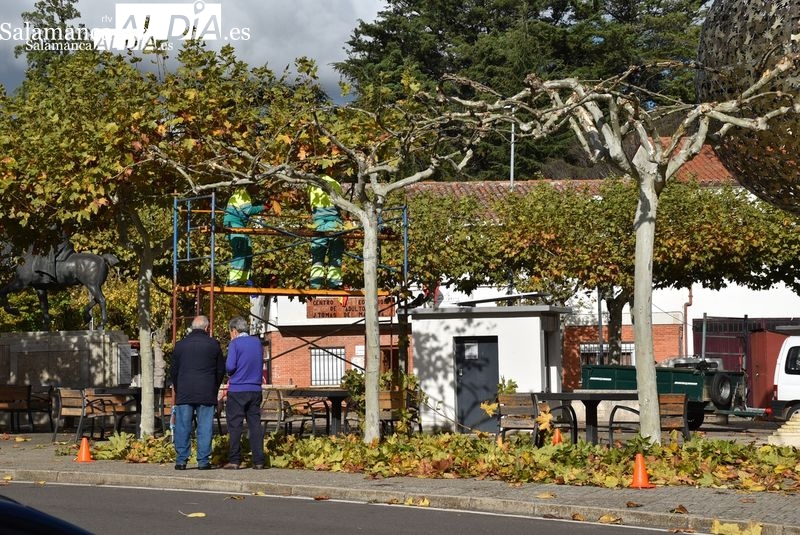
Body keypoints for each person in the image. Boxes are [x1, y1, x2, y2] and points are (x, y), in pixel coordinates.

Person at [170, 315, 225, 471]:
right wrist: (214, 388)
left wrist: (178, 387)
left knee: (182, 426)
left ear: (192, 327)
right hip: (206, 392)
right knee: (205, 427)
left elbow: (173, 370)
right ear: (207, 328)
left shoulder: (180, 345)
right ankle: (203, 461)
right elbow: (220, 370)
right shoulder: (213, 345)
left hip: (185, 392)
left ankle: (181, 461)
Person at [224, 315, 266, 470]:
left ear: (234, 330)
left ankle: (234, 460)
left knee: (235, 425)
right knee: (255, 424)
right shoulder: (257, 343)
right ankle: (259, 460)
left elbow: (230, 367)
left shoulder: (235, 344)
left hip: (237, 389)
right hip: (255, 389)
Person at [223, 186, 265, 286]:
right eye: (258, 187)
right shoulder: (242, 193)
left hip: (238, 224)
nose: (259, 190)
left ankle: (243, 278)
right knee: (241, 249)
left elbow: (250, 206)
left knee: (248, 249)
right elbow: (248, 210)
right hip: (234, 224)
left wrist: (261, 204)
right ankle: (234, 279)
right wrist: (263, 207)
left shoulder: (245, 194)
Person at [308, 175, 345, 289]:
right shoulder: (335, 183)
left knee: (317, 253)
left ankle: (315, 283)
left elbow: (311, 204)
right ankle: (334, 282)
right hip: (334, 223)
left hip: (318, 223)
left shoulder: (311, 183)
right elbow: (340, 204)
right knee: (336, 254)